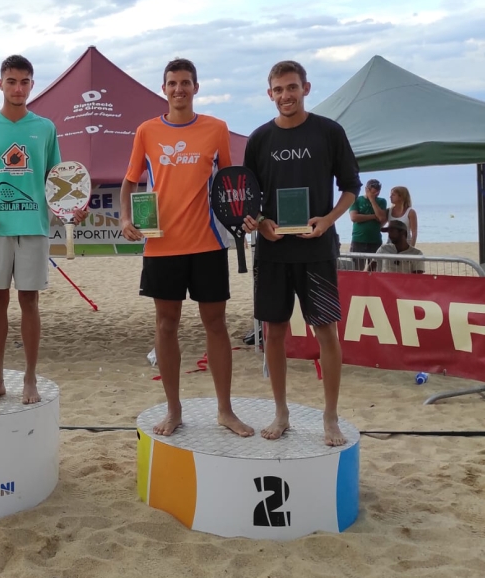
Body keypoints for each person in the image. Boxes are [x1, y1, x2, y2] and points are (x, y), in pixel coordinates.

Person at [119, 58, 253, 438]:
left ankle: (225, 410)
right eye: (172, 83)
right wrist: (125, 219)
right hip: (161, 245)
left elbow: (230, 183)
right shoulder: (146, 131)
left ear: (196, 87)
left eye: (185, 83)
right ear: (164, 89)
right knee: (166, 325)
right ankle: (174, 410)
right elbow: (130, 182)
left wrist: (243, 216)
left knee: (216, 325)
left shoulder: (216, 129)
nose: (179, 89)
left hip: (208, 243)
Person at [0, 55, 87, 405]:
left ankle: (29, 379)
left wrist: (73, 208)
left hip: (33, 226)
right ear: (0, 84)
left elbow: (58, 181)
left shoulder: (44, 128)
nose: (18, 88)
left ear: (32, 85)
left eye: (24, 82)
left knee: (30, 302)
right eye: (11, 81)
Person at [242, 60, 362, 447]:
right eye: (278, 90)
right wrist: (260, 223)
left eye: (292, 88)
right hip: (273, 254)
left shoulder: (329, 131)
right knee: (273, 334)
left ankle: (330, 417)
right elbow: (250, 197)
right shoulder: (259, 139)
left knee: (326, 332)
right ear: (269, 94)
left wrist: (327, 220)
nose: (285, 96)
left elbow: (350, 188)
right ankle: (281, 412)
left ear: (306, 88)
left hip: (316, 252)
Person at [348, 178, 387, 269]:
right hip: (358, 241)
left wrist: (372, 200)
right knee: (356, 270)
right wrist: (373, 216)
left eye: (378, 192)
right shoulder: (356, 200)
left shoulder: (381, 201)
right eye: (373, 193)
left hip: (375, 241)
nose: (376, 194)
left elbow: (381, 218)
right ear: (367, 189)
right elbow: (354, 217)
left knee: (374, 271)